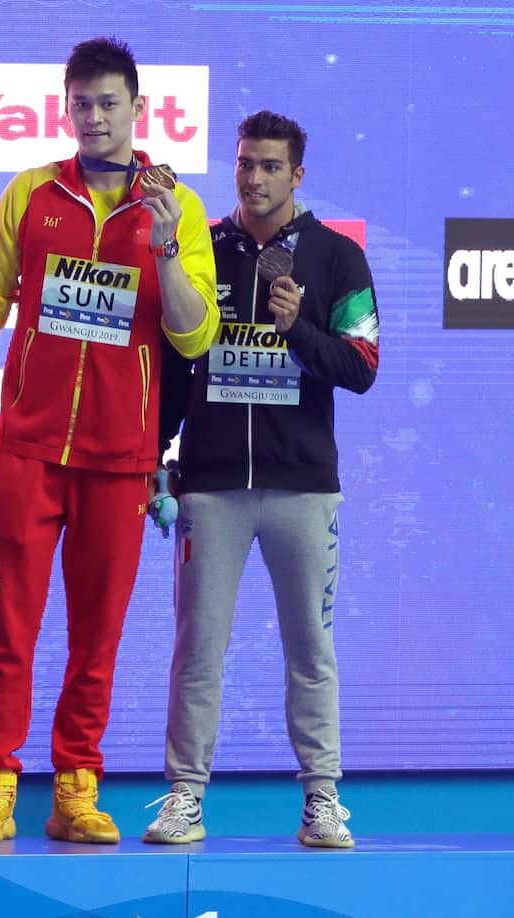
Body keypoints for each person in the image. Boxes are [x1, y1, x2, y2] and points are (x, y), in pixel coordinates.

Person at [0, 36, 219, 844]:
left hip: (122, 462)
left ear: (140, 110)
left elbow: (194, 336)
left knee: (97, 637)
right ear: (67, 108)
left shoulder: (180, 207)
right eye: (82, 104)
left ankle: (76, 789)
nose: (95, 118)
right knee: (9, 630)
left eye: (110, 104)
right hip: (25, 456)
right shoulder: (30, 194)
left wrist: (165, 244)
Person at [143, 111, 380, 848]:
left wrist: (298, 330)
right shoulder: (205, 250)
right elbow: (177, 366)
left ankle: (321, 799)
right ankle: (184, 796)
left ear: (298, 174)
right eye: (246, 163)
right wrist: (156, 452)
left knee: (311, 646)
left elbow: (363, 368)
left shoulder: (339, 258)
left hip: (304, 488)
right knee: (198, 645)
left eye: (271, 166)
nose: (254, 177)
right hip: (211, 485)